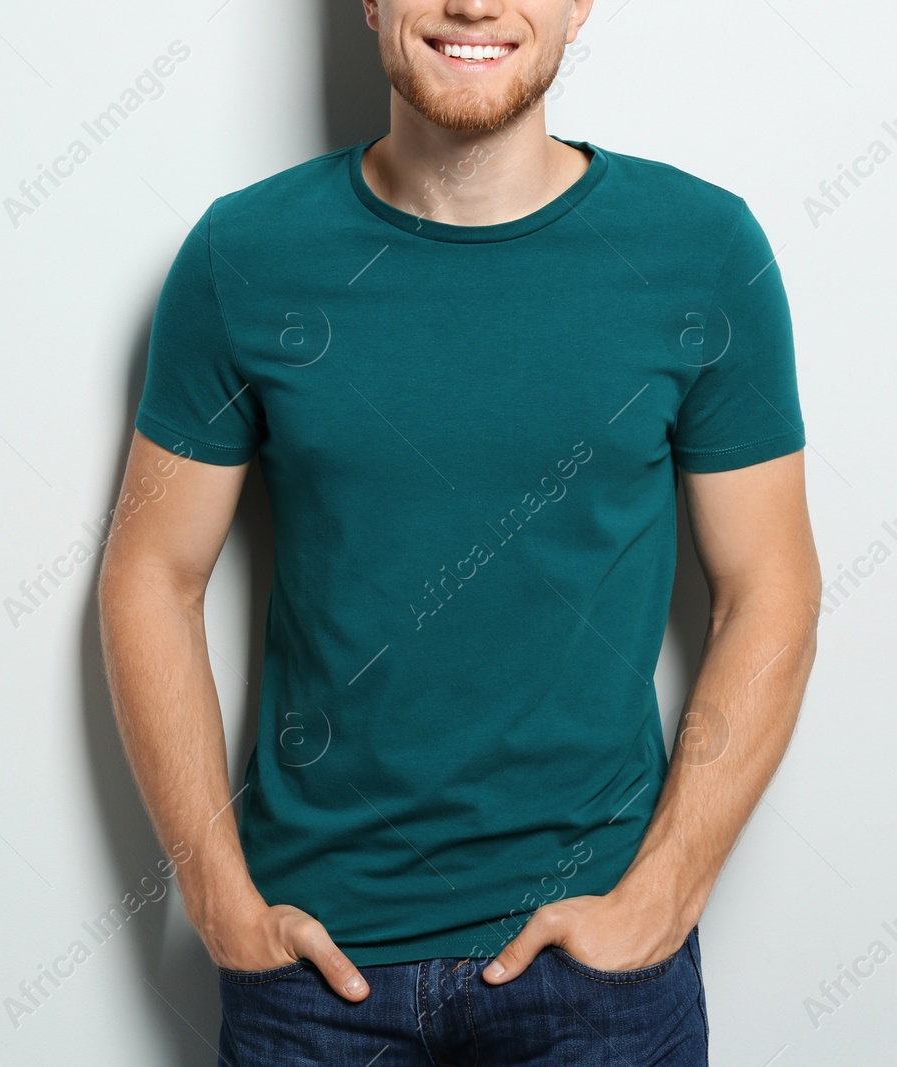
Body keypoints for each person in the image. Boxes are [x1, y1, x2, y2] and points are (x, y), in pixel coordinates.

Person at [96, 0, 821, 1063]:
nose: (474, 4)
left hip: (597, 980)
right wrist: (216, 899)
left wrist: (666, 890)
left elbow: (772, 586)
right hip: (312, 974)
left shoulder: (701, 253)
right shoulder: (242, 257)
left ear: (579, 5)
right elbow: (148, 575)